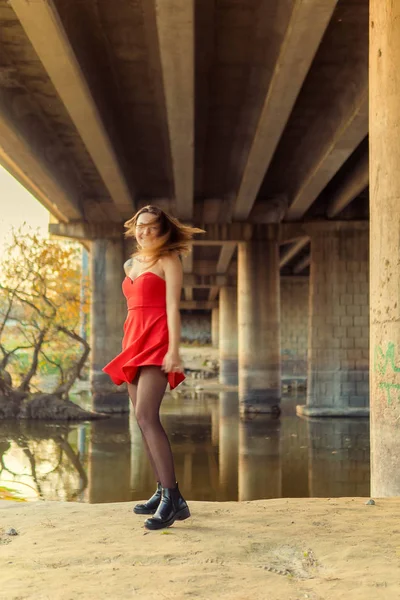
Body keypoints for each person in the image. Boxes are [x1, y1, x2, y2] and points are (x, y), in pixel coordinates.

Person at [102, 205, 204, 530]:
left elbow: (174, 308)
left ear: (163, 231)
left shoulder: (169, 260)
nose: (144, 232)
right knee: (140, 420)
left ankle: (173, 498)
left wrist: (174, 351)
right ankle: (161, 490)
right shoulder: (130, 263)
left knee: (147, 416)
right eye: (140, 226)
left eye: (151, 227)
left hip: (157, 339)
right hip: (132, 340)